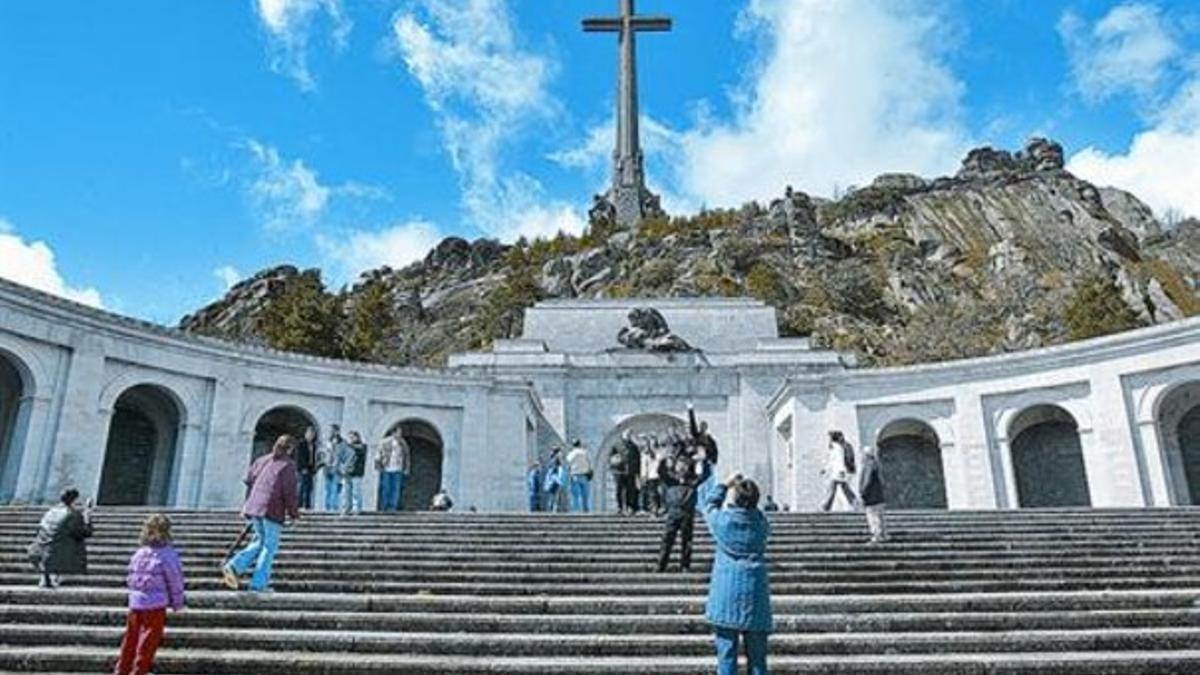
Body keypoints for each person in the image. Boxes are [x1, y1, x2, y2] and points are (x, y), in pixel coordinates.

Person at [702, 472, 773, 675]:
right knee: (758, 660)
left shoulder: (722, 522)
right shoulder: (761, 524)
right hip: (755, 592)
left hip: (726, 591)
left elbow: (709, 505)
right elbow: (758, 514)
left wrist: (725, 484)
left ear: (735, 499)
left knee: (726, 656)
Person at [222, 435, 300, 593]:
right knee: (269, 547)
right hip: (272, 508)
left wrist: (247, 505)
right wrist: (293, 513)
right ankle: (258, 584)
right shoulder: (288, 465)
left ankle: (234, 565)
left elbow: (249, 480)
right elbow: (289, 492)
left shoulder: (262, 459)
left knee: (259, 542)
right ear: (290, 449)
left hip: (254, 506)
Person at [113, 514, 185, 675]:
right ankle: (139, 670)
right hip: (156, 603)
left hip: (136, 602)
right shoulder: (168, 554)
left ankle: (122, 669)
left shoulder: (139, 553)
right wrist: (178, 602)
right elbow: (174, 579)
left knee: (131, 638)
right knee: (148, 640)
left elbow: (131, 576)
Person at [27, 488, 93, 588]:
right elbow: (85, 533)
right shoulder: (73, 514)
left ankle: (49, 575)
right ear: (74, 500)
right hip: (57, 552)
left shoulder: (50, 512)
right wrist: (87, 517)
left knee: (58, 540)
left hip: (39, 550)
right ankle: (57, 573)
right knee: (76, 541)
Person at [657, 453, 712, 573]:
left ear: (688, 466)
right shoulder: (671, 479)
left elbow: (705, 475)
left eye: (684, 465)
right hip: (673, 512)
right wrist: (663, 459)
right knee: (667, 540)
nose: (682, 467)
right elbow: (661, 472)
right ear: (676, 466)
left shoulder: (692, 479)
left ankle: (685, 566)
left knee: (687, 541)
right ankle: (661, 565)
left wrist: (704, 461)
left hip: (687, 513)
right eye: (679, 465)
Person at [819, 430, 860, 512]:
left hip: (838, 472)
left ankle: (826, 506)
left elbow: (838, 460)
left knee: (832, 489)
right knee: (844, 489)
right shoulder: (838, 447)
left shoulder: (837, 448)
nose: (828, 439)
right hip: (838, 472)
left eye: (830, 438)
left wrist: (840, 471)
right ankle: (855, 503)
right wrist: (825, 469)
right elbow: (832, 461)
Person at [375, 428, 411, 512]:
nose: (400, 434)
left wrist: (406, 468)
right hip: (386, 468)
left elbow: (406, 456)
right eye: (398, 432)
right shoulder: (384, 442)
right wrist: (378, 465)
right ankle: (384, 506)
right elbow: (379, 453)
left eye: (400, 433)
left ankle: (392, 506)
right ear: (393, 433)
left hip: (398, 469)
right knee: (385, 488)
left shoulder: (402, 443)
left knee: (396, 489)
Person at [859, 445, 889, 543]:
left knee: (873, 516)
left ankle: (876, 535)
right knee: (880, 516)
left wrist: (863, 492)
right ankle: (884, 535)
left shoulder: (868, 465)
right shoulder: (877, 464)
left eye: (863, 454)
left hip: (871, 496)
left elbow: (867, 480)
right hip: (879, 495)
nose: (861, 456)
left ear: (866, 455)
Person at [338, 431, 368, 515]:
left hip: (357, 473)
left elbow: (359, 450)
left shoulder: (362, 446)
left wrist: (347, 445)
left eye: (352, 437)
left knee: (356, 492)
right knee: (345, 492)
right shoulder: (346, 447)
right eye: (349, 437)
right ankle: (346, 508)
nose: (350, 439)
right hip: (346, 473)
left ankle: (356, 508)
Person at [317, 425, 343, 512]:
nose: (331, 432)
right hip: (327, 467)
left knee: (335, 487)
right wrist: (323, 462)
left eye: (333, 430)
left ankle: (334, 506)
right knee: (328, 488)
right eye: (330, 430)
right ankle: (327, 506)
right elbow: (323, 454)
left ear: (337, 431)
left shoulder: (342, 443)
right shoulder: (327, 442)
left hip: (337, 468)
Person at [565, 439, 593, 513]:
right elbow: (590, 463)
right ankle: (586, 510)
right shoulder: (585, 453)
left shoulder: (572, 453)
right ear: (580, 444)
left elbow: (567, 462)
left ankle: (576, 511)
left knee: (575, 495)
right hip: (585, 475)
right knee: (585, 495)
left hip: (575, 476)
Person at [295, 426, 317, 510]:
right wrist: (302, 467)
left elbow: (313, 457)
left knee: (309, 487)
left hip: (310, 469)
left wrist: (314, 467)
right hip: (302, 469)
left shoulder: (313, 445)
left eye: (313, 434)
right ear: (306, 434)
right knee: (301, 487)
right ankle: (299, 505)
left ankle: (307, 505)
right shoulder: (301, 443)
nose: (311, 436)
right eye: (309, 434)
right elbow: (299, 457)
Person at [639, 440, 663, 515]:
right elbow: (644, 466)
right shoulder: (646, 454)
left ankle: (659, 508)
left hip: (659, 476)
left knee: (659, 493)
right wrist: (643, 476)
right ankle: (653, 508)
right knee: (652, 493)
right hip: (651, 476)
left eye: (654, 444)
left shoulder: (660, 453)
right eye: (651, 444)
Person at [542, 448, 567, 513]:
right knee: (555, 497)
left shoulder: (551, 460)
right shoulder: (556, 460)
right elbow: (558, 470)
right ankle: (554, 510)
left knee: (552, 496)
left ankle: (551, 509)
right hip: (556, 480)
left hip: (551, 481)